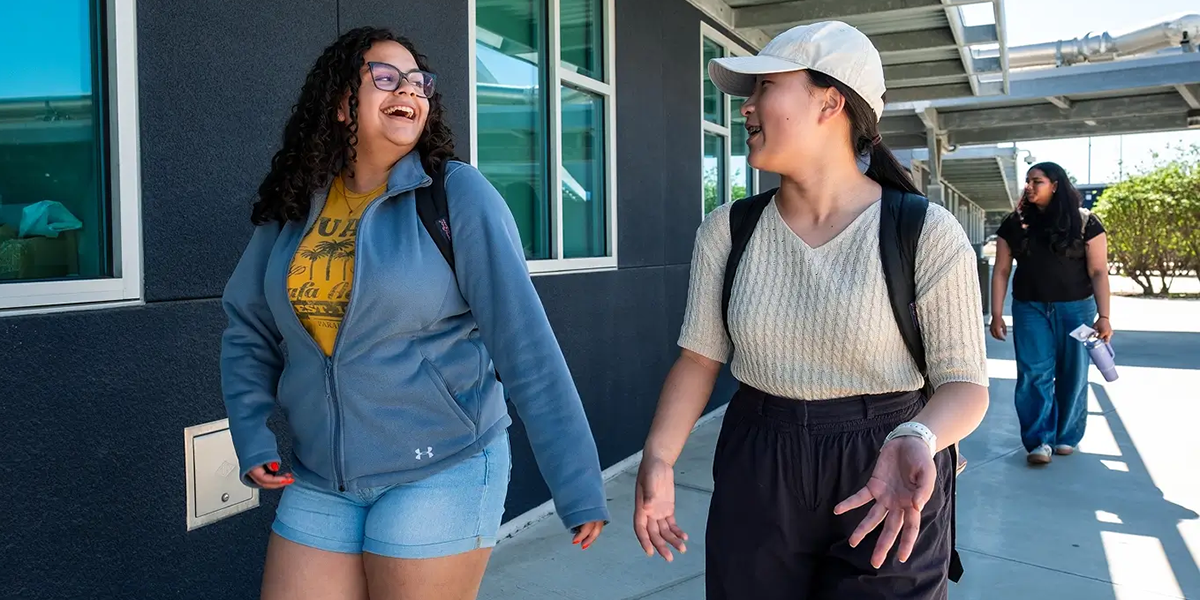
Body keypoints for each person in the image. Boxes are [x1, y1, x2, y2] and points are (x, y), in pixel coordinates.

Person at [219, 27, 608, 600]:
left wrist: (576, 483)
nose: (408, 90)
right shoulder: (296, 206)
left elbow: (525, 345)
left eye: (418, 81)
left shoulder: (456, 195)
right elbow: (249, 329)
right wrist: (251, 433)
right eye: (384, 77)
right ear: (342, 104)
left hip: (442, 467)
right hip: (322, 476)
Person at [632, 21, 990, 600]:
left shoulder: (923, 231)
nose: (746, 107)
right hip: (759, 457)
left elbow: (966, 385)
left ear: (831, 101)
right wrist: (658, 458)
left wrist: (920, 436)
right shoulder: (728, 231)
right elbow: (699, 359)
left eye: (765, 86)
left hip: (889, 458)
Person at [990, 162, 1112, 465]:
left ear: (1055, 185)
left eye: (1037, 181)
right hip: (1030, 309)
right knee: (1034, 373)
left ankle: (1067, 436)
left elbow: (1098, 271)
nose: (1029, 187)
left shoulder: (1086, 223)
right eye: (1028, 181)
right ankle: (1039, 441)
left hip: (1077, 310)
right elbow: (1001, 270)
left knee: (1073, 372)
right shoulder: (1013, 224)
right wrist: (996, 313)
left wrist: (1104, 316)